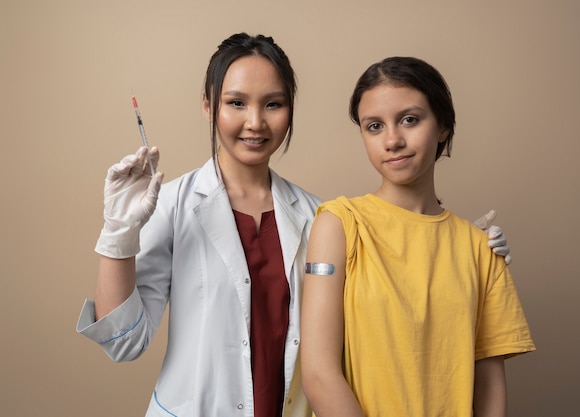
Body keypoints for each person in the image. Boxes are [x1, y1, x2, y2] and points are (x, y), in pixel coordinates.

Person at [76, 34, 512, 417]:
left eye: (273, 104)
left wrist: (460, 250)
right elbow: (123, 343)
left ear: (289, 110)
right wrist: (118, 234)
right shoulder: (170, 205)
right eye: (236, 103)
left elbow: (378, 316)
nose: (255, 122)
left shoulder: (319, 216)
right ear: (209, 105)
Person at [300, 57, 535, 417]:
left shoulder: (480, 248)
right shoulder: (339, 224)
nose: (392, 140)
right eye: (374, 126)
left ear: (442, 125)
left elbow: (488, 387)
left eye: (409, 120)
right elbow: (319, 374)